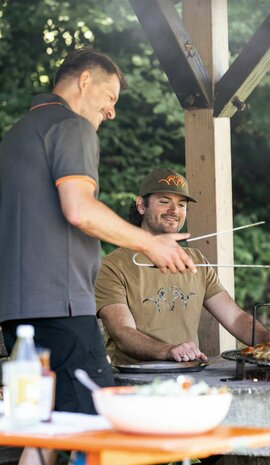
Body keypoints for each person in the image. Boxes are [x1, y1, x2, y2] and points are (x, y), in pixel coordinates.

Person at [0, 48, 198, 418]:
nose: (112, 111)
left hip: (17, 313)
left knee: (44, 432)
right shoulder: (70, 126)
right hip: (61, 307)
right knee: (97, 427)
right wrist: (150, 243)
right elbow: (79, 208)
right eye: (110, 97)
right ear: (85, 81)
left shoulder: (16, 135)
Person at [95, 168, 270, 365]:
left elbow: (235, 318)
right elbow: (122, 332)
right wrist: (169, 351)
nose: (174, 211)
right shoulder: (114, 265)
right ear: (141, 205)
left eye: (181, 205)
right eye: (164, 202)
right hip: (133, 379)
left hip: (188, 373)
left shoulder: (195, 260)